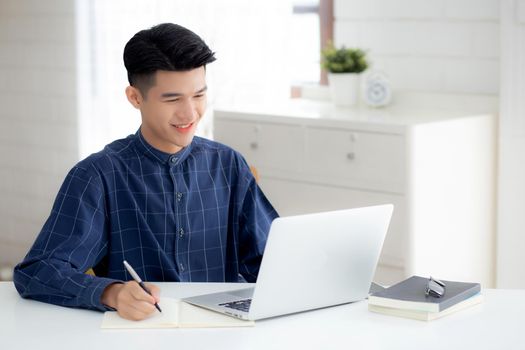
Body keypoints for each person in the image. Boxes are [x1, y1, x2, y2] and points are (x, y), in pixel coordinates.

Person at [13, 23, 278, 321]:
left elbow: (273, 259)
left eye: (199, 95)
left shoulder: (229, 165)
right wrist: (111, 292)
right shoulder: (98, 175)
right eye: (173, 99)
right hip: (141, 332)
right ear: (135, 97)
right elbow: (38, 271)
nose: (190, 113)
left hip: (226, 332)